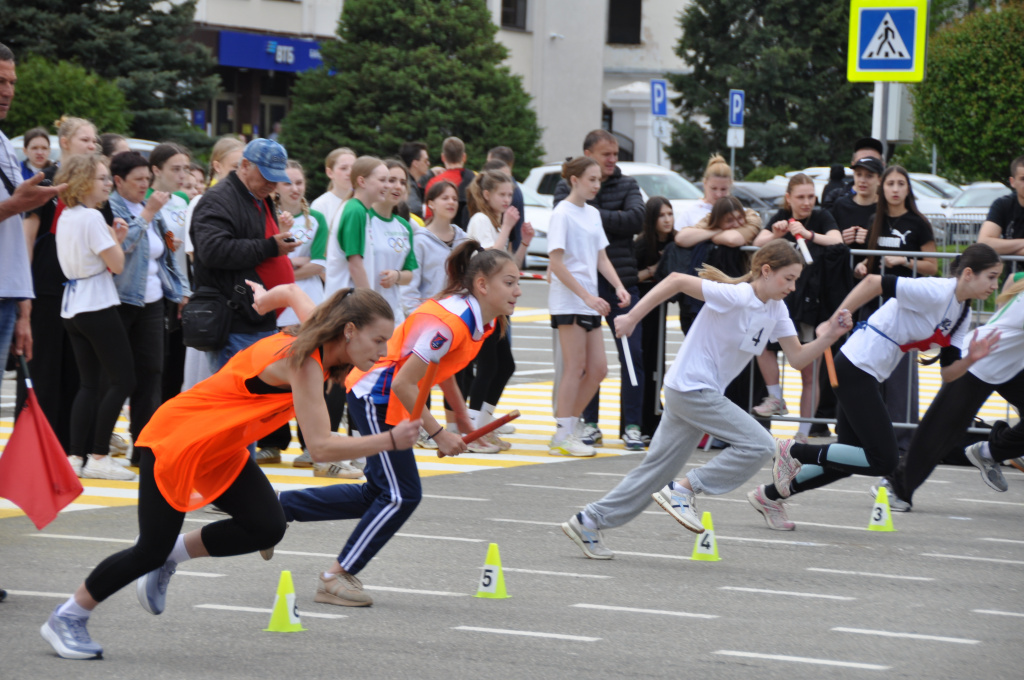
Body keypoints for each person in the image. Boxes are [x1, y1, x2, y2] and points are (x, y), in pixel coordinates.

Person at [39, 283, 419, 660]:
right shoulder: (303, 362)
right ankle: (68, 615)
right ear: (349, 330)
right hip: (179, 439)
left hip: (220, 447)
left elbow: (289, 291)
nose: (383, 351)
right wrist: (389, 440)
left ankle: (172, 555)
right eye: (378, 340)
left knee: (267, 525)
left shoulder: (321, 328)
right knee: (147, 550)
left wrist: (263, 299)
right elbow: (319, 446)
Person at [561, 240, 851, 558]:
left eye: (796, 279)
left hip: (690, 391)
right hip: (693, 388)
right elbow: (675, 281)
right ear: (766, 272)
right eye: (789, 278)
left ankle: (588, 521)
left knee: (654, 472)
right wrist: (631, 317)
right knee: (760, 445)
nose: (793, 287)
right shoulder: (736, 295)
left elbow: (796, 359)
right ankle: (684, 490)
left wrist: (829, 336)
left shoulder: (776, 308)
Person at [275, 242, 520, 607]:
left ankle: (278, 510)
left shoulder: (479, 318)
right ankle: (335, 577)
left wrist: (461, 418)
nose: (518, 290)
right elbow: (405, 382)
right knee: (402, 494)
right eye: (511, 282)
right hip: (379, 393)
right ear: (483, 285)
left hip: (389, 394)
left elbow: (441, 370)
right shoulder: (453, 321)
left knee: (377, 493)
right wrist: (438, 432)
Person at [746, 244, 1002, 530]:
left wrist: (971, 359)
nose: (995, 285)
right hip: (857, 365)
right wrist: (834, 319)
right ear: (968, 274)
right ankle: (792, 450)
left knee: (848, 460)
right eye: (991, 277)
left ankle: (769, 496)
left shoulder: (962, 311)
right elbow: (873, 282)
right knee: (884, 459)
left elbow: (948, 374)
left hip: (872, 372)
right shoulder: (937, 290)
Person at [881, 272, 1024, 511]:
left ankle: (989, 451)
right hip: (979, 360)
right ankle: (894, 486)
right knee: (940, 430)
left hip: (1011, 367)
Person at [552, 130, 645, 449]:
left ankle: (568, 428)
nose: (596, 185)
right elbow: (557, 264)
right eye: (591, 179)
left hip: (590, 300)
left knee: (599, 369)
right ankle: (564, 433)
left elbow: (601, 256)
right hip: (571, 300)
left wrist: (619, 286)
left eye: (598, 180)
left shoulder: (591, 214)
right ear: (575, 180)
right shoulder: (562, 212)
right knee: (576, 368)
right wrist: (587, 296)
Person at [1, 41, 65, 474]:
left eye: (11, 82)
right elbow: (12, 213)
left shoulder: (5, 143)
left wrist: (24, 308)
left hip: (8, 293)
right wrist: (16, 205)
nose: (7, 90)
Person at [52, 154, 135, 480]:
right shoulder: (91, 218)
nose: (106, 183)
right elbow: (117, 264)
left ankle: (75, 456)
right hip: (96, 304)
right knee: (123, 379)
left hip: (72, 305)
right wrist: (117, 241)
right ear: (85, 182)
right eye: (101, 178)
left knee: (88, 384)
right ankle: (99, 455)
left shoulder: (67, 217)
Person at [20, 116, 99, 451]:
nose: (92, 146)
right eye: (85, 140)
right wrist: (24, 290)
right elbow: (28, 238)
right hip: (47, 289)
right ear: (64, 142)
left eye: (95, 141)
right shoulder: (48, 181)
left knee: (76, 373)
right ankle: (36, 447)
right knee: (45, 372)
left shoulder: (93, 185)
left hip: (81, 292)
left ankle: (68, 447)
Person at [190, 138, 299, 377]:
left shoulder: (257, 197)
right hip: (235, 322)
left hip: (257, 319)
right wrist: (270, 247)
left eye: (276, 178)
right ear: (245, 165)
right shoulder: (219, 199)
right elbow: (213, 251)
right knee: (238, 401)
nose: (272, 184)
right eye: (266, 176)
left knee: (257, 402)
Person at [254, 160, 333, 469]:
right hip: (276, 308)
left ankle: (310, 444)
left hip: (306, 307)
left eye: (299, 182)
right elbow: (267, 259)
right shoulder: (266, 216)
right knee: (274, 376)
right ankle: (272, 442)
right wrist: (295, 263)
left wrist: (288, 265)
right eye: (288, 182)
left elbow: (320, 264)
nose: (295, 188)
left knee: (308, 377)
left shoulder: (316, 220)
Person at [752, 173, 843, 438]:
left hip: (809, 301)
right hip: (778, 299)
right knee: (759, 344)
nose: (806, 202)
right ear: (789, 198)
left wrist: (809, 234)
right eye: (800, 197)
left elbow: (838, 240)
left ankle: (803, 433)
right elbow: (757, 243)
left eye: (810, 196)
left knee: (808, 369)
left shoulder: (821, 217)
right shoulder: (780, 215)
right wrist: (776, 235)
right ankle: (775, 395)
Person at [107, 151, 184, 465]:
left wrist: (181, 290)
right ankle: (99, 443)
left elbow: (165, 244)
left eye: (146, 180)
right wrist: (148, 214)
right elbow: (121, 248)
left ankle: (144, 449)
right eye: (137, 180)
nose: (144, 185)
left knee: (152, 373)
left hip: (154, 301)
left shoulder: (151, 207)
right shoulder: (111, 206)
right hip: (122, 300)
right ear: (118, 181)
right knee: (117, 375)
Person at [856, 164, 938, 455]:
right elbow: (869, 262)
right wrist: (862, 267)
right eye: (890, 183)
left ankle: (902, 442)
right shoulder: (874, 219)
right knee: (869, 374)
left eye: (900, 183)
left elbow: (932, 266)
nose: (894, 189)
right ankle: (873, 438)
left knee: (901, 381)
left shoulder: (918, 222)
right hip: (874, 309)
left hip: (905, 309)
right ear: (883, 188)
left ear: (907, 188)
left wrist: (903, 259)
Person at [180, 137, 244, 392]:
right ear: (217, 166)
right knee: (208, 381)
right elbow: (197, 255)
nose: (241, 174)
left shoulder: (244, 201)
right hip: (215, 303)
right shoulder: (202, 202)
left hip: (239, 303)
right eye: (235, 166)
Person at [635, 197, 674, 439]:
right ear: (652, 219)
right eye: (662, 215)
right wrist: (654, 269)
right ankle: (640, 422)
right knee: (646, 364)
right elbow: (631, 277)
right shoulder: (641, 245)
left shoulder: (674, 240)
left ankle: (653, 419)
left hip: (659, 310)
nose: (668, 219)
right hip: (641, 309)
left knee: (658, 366)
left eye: (670, 214)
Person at [365, 158, 418, 323]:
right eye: (392, 180)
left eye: (402, 182)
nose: (398, 186)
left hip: (393, 314)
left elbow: (409, 274)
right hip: (364, 311)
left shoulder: (404, 226)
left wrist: (397, 275)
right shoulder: (363, 218)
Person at [978, 155, 1024, 274]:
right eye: (1023, 179)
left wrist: (1005, 248)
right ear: (1012, 182)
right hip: (1012, 282)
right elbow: (984, 243)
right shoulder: (1003, 204)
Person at [833, 156, 884, 254]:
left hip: (874, 268)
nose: (862, 180)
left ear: (879, 180)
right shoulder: (840, 205)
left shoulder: (885, 208)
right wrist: (840, 239)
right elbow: (829, 237)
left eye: (869, 176)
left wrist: (871, 239)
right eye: (858, 174)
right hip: (845, 266)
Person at [423, 136, 475, 227]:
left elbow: (429, 216)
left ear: (443, 157)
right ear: (464, 157)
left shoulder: (434, 182)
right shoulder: (475, 179)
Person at [310, 147, 356, 245]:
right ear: (330, 172)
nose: (350, 172)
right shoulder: (320, 205)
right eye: (344, 168)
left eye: (354, 168)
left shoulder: (364, 202)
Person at [675, 153, 732, 229]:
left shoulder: (738, 214)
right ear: (705, 184)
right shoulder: (690, 213)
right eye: (714, 188)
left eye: (723, 189)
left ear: (730, 186)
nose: (719, 194)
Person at [398, 141, 430, 217]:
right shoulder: (409, 185)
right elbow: (415, 209)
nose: (428, 164)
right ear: (415, 163)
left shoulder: (408, 180)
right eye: (426, 161)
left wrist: (432, 172)